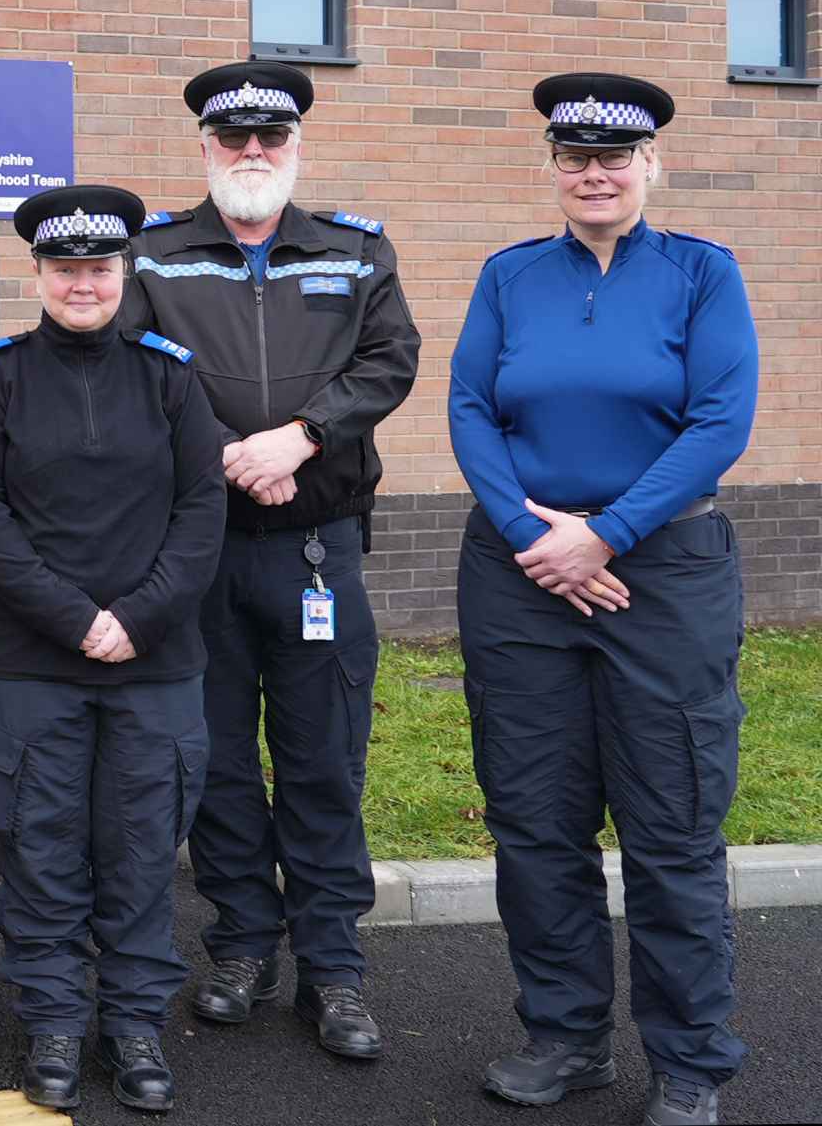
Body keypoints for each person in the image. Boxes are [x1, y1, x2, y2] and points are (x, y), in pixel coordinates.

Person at [449, 74, 758, 1126]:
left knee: (671, 824)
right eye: (574, 157)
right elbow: (468, 407)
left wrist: (604, 533)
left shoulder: (702, 274)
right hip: (521, 572)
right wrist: (539, 535)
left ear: (648, 166)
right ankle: (566, 1036)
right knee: (535, 820)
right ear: (550, 167)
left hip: (659, 571)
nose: (594, 173)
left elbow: (719, 420)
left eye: (614, 157)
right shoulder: (508, 276)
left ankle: (688, 1058)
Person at [119, 61, 420, 1058]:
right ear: (204, 145)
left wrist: (300, 437)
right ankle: (242, 946)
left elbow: (388, 361)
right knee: (215, 766)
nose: (253, 153)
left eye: (271, 137)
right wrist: (228, 460)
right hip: (200, 552)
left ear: (295, 145)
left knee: (322, 759)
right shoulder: (154, 256)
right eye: (232, 138)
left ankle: (333, 965)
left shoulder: (357, 248)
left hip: (315, 547)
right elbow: (133, 373)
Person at [0, 185, 228, 1116]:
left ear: (124, 272)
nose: (82, 283)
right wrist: (75, 618)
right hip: (37, 662)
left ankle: (137, 1023)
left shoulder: (172, 377)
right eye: (64, 268)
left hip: (157, 660)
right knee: (42, 846)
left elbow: (201, 513)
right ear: (38, 273)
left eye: (99, 268)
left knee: (145, 847)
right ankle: (56, 1020)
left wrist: (136, 617)